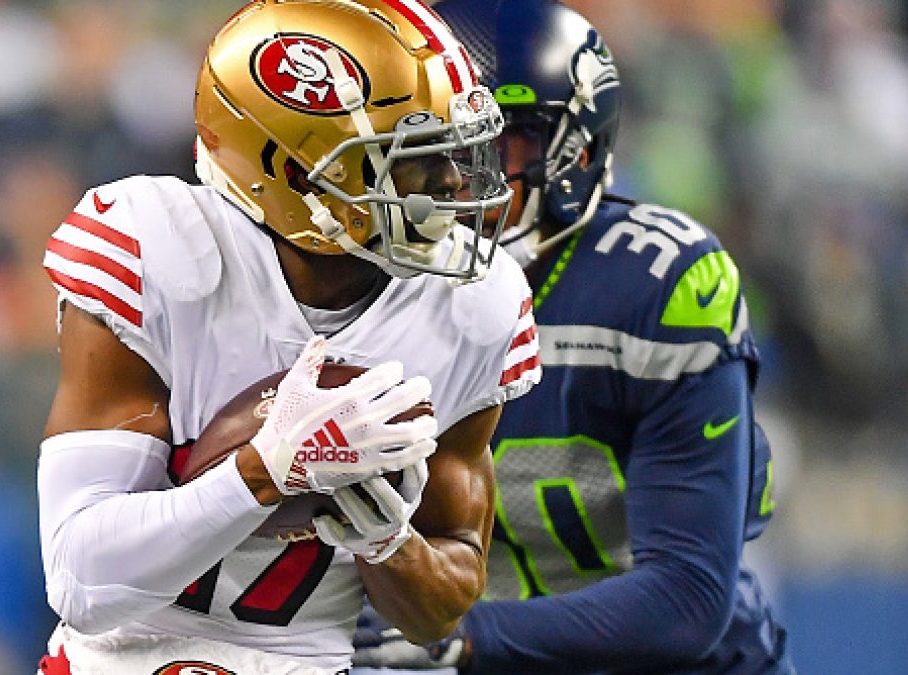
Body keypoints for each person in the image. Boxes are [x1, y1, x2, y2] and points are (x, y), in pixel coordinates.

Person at [34, 1, 541, 673]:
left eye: (451, 148)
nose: (451, 183)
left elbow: (439, 608)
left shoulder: (473, 305)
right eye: (408, 160)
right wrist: (263, 470)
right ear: (300, 179)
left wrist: (389, 538)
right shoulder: (157, 252)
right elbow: (83, 583)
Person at [352, 0, 794, 672]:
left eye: (494, 147)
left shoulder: (657, 285)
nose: (454, 182)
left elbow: (687, 597)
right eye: (432, 148)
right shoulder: (362, 285)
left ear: (575, 151)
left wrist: (468, 638)